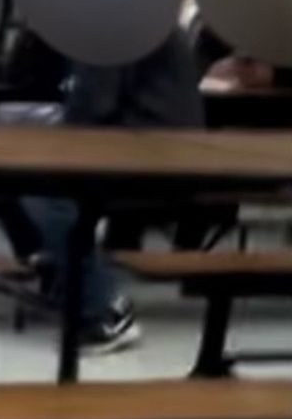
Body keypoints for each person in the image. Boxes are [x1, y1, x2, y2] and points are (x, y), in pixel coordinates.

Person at [28, 28, 205, 354]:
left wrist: (53, 139)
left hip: (148, 158)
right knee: (27, 182)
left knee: (39, 191)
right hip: (168, 150)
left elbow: (94, 105)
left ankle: (104, 310)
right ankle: (68, 278)